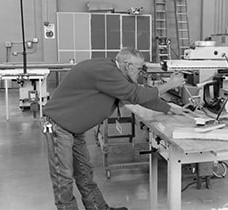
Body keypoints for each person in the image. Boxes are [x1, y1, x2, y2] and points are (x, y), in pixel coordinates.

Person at [42, 47, 186, 210]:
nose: (141, 73)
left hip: (74, 129)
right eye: (140, 69)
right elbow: (136, 94)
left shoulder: (115, 74)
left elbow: (139, 97)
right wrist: (169, 85)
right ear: (128, 65)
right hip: (59, 126)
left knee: (85, 173)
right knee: (64, 178)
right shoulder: (106, 71)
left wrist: (168, 108)